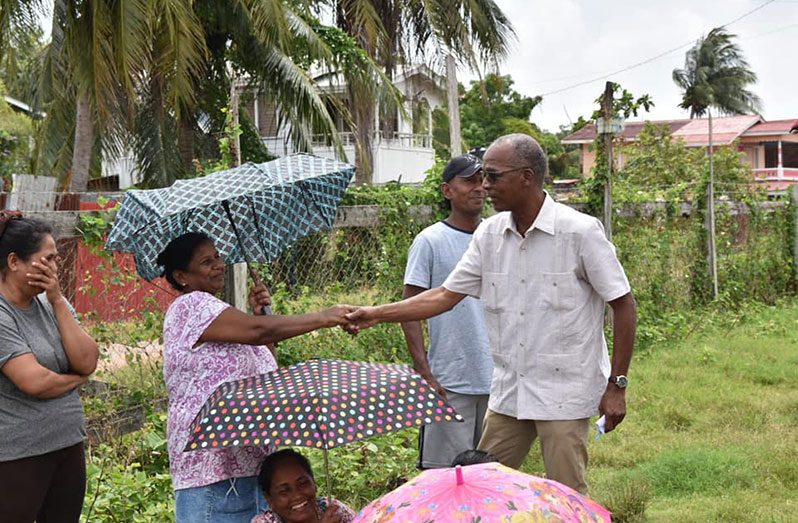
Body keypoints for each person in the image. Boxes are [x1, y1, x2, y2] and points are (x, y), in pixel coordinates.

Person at [346, 134, 637, 494]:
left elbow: (623, 304)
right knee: (480, 485)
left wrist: (617, 385)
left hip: (564, 392)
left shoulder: (578, 231)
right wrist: (377, 313)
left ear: (526, 177)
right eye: (483, 175)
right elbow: (444, 296)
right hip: (511, 392)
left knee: (567, 495)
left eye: (494, 176)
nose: (485, 186)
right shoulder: (490, 233)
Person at [159, 232, 355, 523]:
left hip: (251, 468)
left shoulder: (221, 318)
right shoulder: (192, 306)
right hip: (215, 473)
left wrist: (260, 313)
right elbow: (258, 331)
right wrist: (325, 317)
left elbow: (264, 368)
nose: (218, 265)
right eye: (206, 262)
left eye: (217, 257)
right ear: (181, 276)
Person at [0, 211, 100, 523]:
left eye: (56, 259)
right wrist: (77, 380)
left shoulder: (49, 302)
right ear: (14, 262)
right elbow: (35, 382)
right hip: (19, 454)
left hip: (68, 444)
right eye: (49, 259)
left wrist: (57, 299)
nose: (56, 267)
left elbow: (87, 359)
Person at [400, 153, 492, 469]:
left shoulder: (496, 235)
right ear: (447, 190)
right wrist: (424, 370)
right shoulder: (430, 241)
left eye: (483, 180)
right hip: (450, 383)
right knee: (444, 474)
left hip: (499, 383)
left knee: (492, 476)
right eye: (469, 180)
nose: (479, 188)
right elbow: (409, 308)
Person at [251, 449, 355, 523]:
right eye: (284, 491)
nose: (297, 496)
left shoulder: (333, 511)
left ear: (314, 483)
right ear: (269, 499)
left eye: (303, 484)